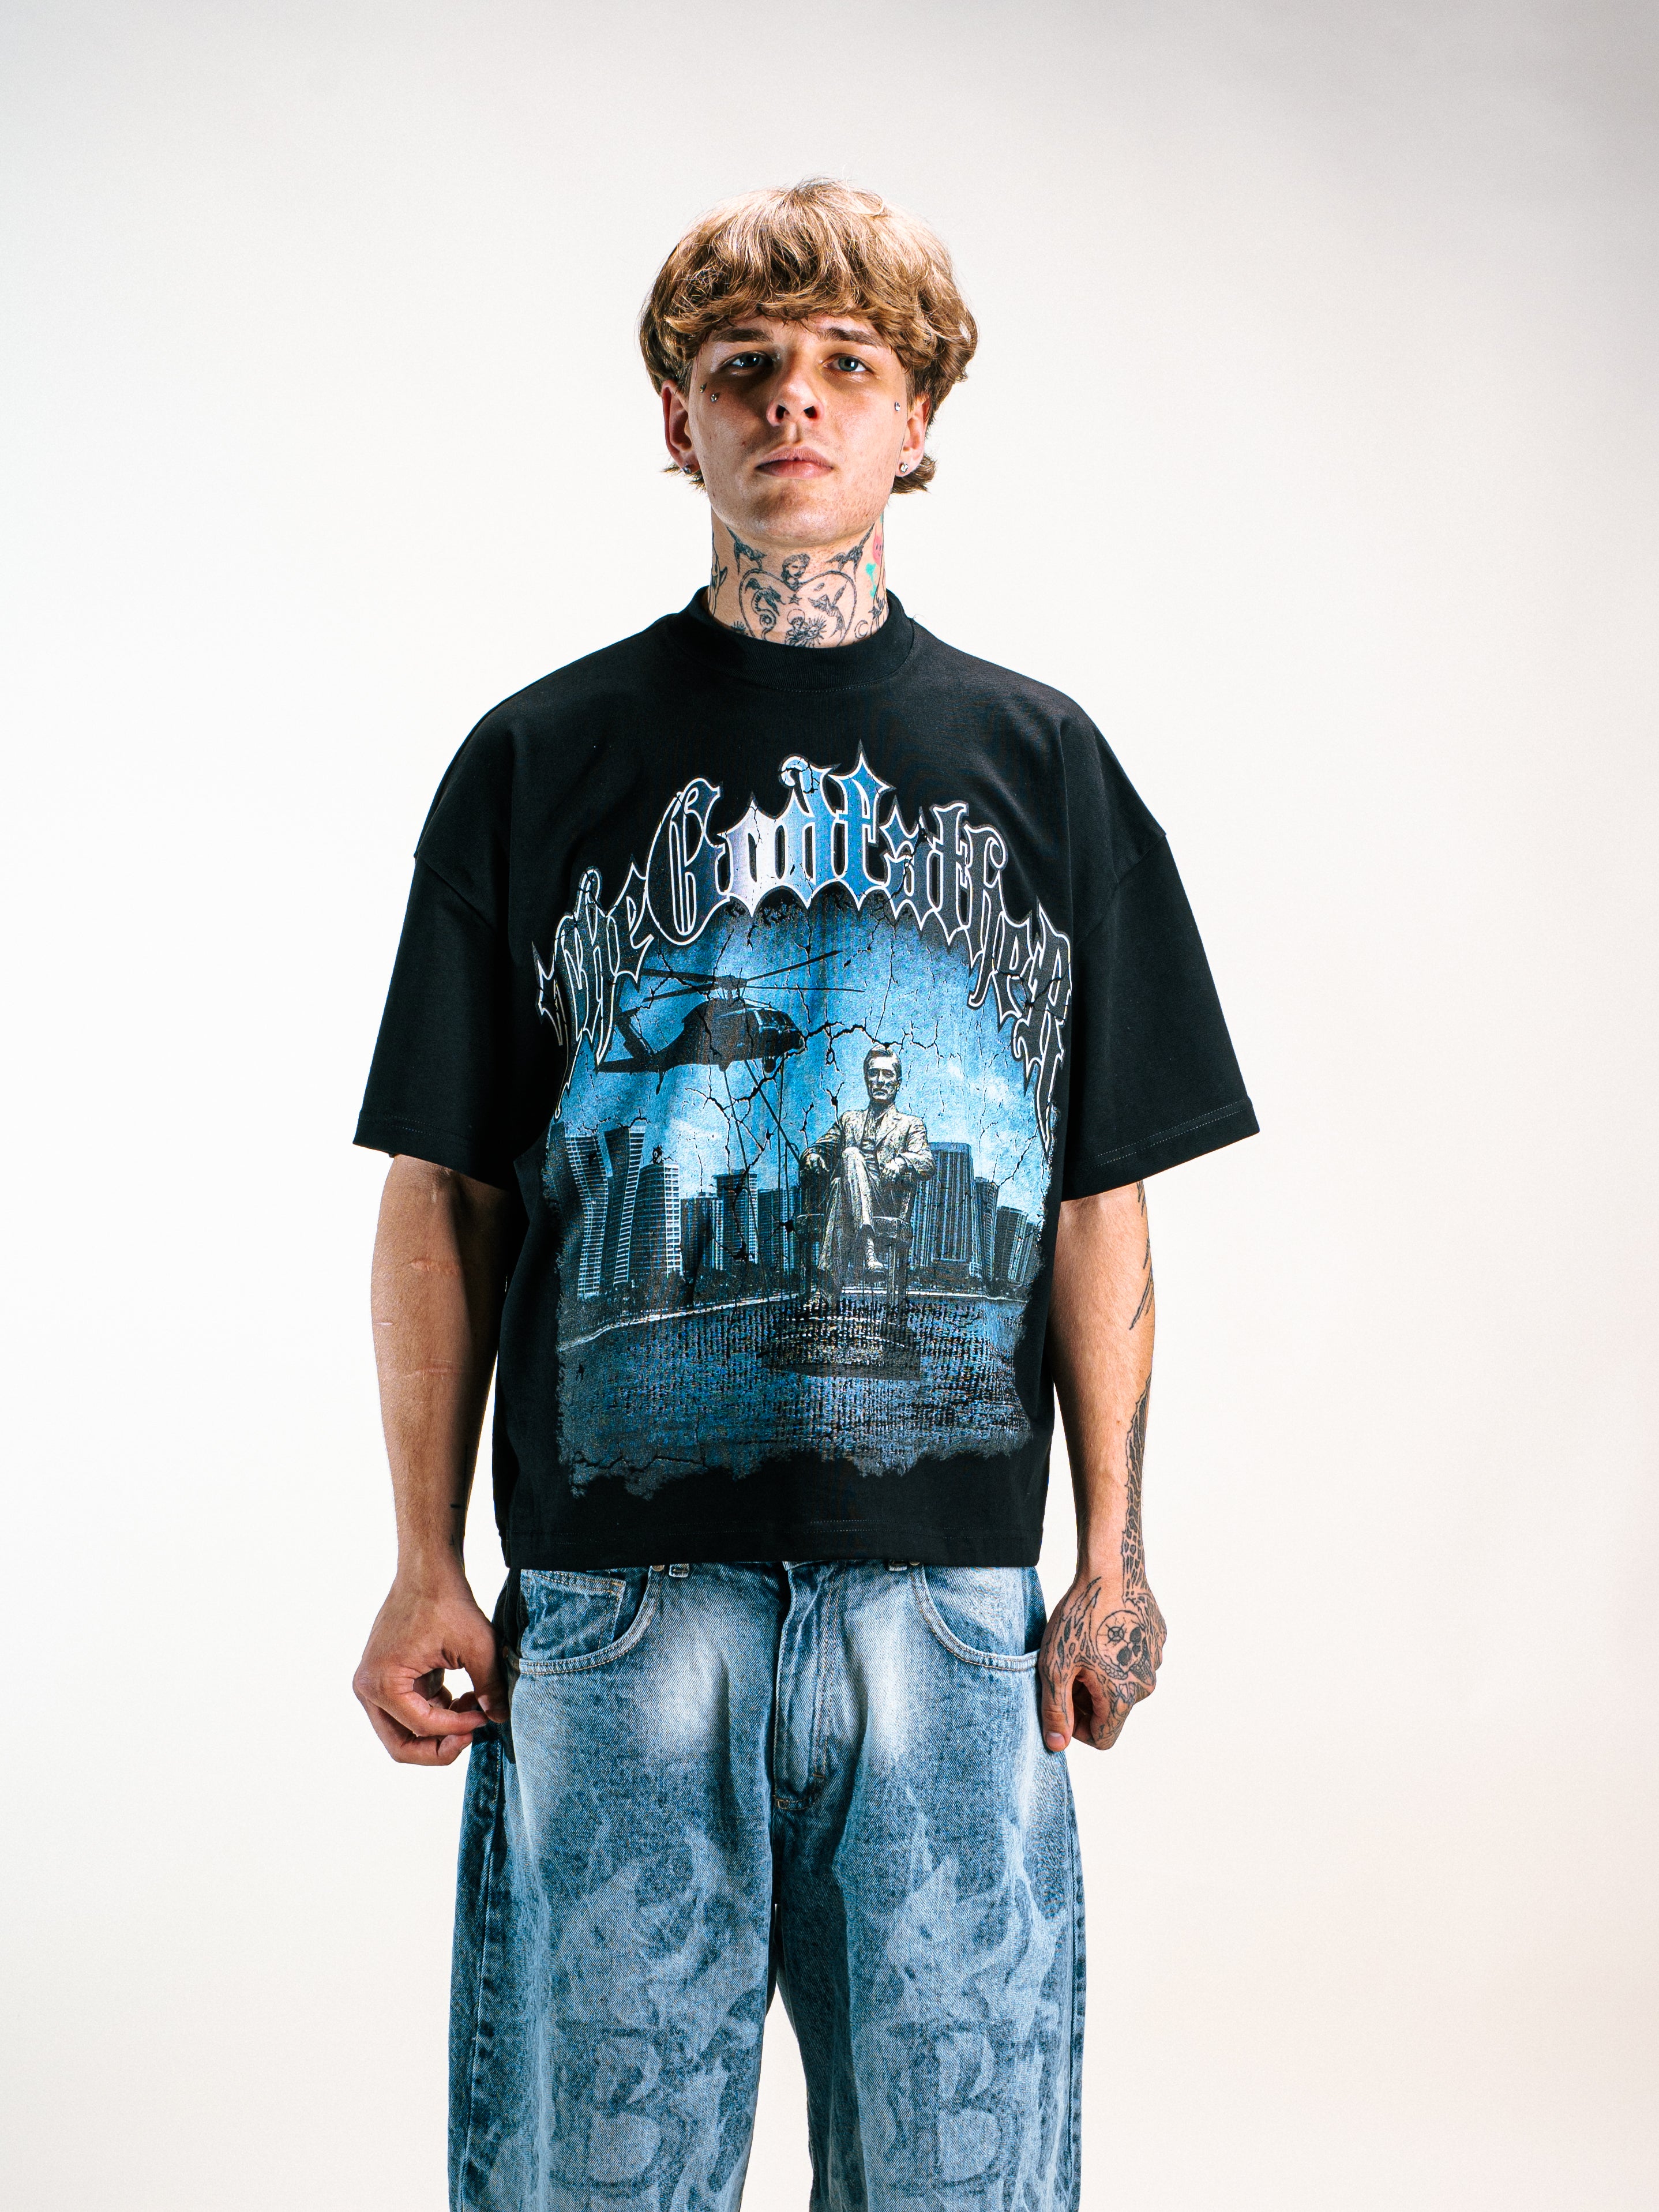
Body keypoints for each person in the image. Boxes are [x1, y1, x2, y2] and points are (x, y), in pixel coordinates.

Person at [351, 179, 1256, 2212]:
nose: (792, 401)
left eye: (848, 365)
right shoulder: (533, 756)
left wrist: (1109, 1556)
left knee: (957, 2184)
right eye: (740, 366)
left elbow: (1095, 1200)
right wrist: (422, 1558)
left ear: (915, 420)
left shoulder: (1042, 762)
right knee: (592, 2182)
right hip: (609, 1607)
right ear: (672, 418)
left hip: (948, 1607)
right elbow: (442, 1192)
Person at [801, 1045, 932, 1283]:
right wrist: (812, 1157)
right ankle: (868, 1251)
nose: (880, 1081)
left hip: (885, 1201)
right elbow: (817, 1148)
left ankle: (825, 1289)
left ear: (898, 1083)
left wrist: (901, 1162)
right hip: (847, 1199)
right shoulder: (849, 1120)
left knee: (849, 1158)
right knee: (842, 1179)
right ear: (866, 1079)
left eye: (888, 1075)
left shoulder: (911, 1124)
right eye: (874, 1074)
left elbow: (927, 1162)